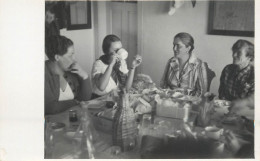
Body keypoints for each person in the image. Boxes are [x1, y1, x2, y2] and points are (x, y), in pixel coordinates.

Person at [45, 35, 89, 115]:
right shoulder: (42, 73)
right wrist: (76, 102)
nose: (74, 59)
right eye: (70, 55)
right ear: (57, 57)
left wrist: (85, 76)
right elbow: (49, 107)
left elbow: (85, 99)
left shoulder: (70, 70)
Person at [91, 35, 142, 99]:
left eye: (120, 49)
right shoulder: (98, 64)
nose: (120, 52)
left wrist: (133, 67)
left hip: (112, 99)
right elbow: (101, 87)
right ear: (106, 51)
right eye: (116, 50)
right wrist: (111, 65)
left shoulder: (121, 62)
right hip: (98, 100)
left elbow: (127, 88)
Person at [218, 39, 254, 106]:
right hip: (225, 109)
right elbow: (221, 93)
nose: (234, 55)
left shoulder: (254, 75)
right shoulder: (227, 70)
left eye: (239, 53)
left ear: (249, 57)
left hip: (244, 112)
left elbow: (252, 103)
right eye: (234, 51)